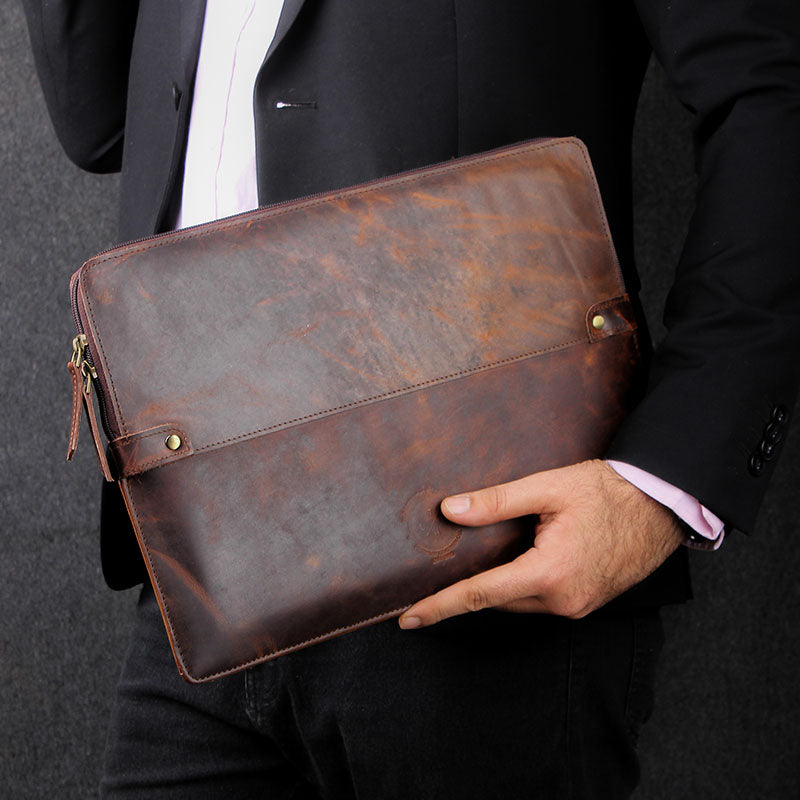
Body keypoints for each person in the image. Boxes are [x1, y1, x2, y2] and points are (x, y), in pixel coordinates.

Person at [22, 1, 800, 797]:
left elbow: (769, 85)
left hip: (477, 559)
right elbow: (102, 122)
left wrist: (668, 477)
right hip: (199, 569)